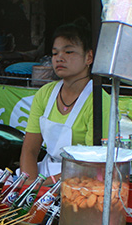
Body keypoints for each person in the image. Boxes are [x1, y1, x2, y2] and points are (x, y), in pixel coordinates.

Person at [19, 19, 110, 180]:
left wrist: (48, 184)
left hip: (83, 180)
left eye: (68, 52)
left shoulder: (99, 101)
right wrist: (30, 185)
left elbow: (93, 162)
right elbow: (29, 150)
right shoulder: (44, 94)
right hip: (45, 174)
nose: (59, 58)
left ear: (89, 57)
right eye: (55, 53)